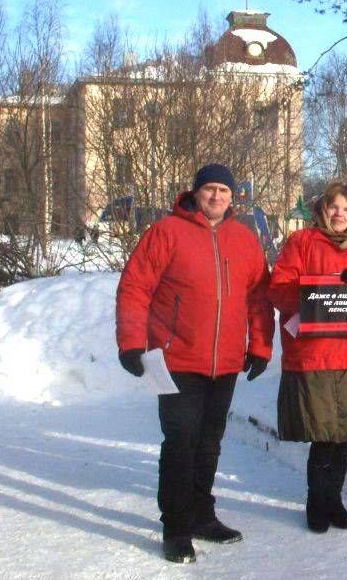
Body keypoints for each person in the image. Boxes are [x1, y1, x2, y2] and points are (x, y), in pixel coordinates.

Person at [116, 163, 274, 564]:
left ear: (233, 196)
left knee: (209, 444)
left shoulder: (244, 239)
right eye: (210, 189)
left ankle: (203, 515)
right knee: (181, 444)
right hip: (176, 360)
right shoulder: (166, 232)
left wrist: (260, 345)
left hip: (224, 363)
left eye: (224, 190)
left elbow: (259, 297)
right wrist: (132, 343)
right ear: (196, 192)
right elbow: (135, 287)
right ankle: (176, 527)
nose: (216, 196)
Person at [270, 182, 347, 533]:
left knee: (343, 434)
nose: (339, 214)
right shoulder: (302, 243)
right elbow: (279, 288)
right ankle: (316, 503)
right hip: (316, 355)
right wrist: (317, 291)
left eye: (346, 209)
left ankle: (334, 500)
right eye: (334, 207)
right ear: (323, 210)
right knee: (322, 436)